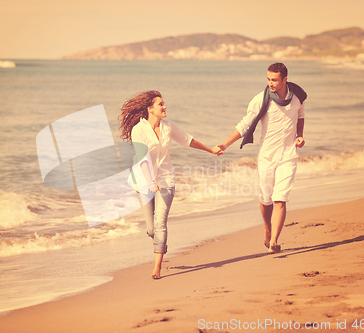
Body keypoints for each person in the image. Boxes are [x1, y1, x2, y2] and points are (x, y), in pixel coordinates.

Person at [119, 90, 223, 279]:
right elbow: (142, 159)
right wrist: (150, 182)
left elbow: (187, 140)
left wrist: (210, 150)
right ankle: (158, 243)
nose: (165, 107)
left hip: (166, 180)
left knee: (160, 223)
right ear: (150, 108)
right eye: (161, 104)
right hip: (143, 182)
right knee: (151, 229)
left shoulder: (168, 126)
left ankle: (157, 267)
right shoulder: (138, 130)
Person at [217, 63, 306, 253]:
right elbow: (244, 124)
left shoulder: (298, 97)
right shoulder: (260, 100)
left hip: (288, 155)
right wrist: (226, 144)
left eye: (274, 80)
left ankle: (274, 241)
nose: (270, 83)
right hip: (266, 156)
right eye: (268, 79)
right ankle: (267, 229)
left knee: (280, 199)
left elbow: (300, 116)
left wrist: (300, 135)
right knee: (266, 199)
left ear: (284, 79)